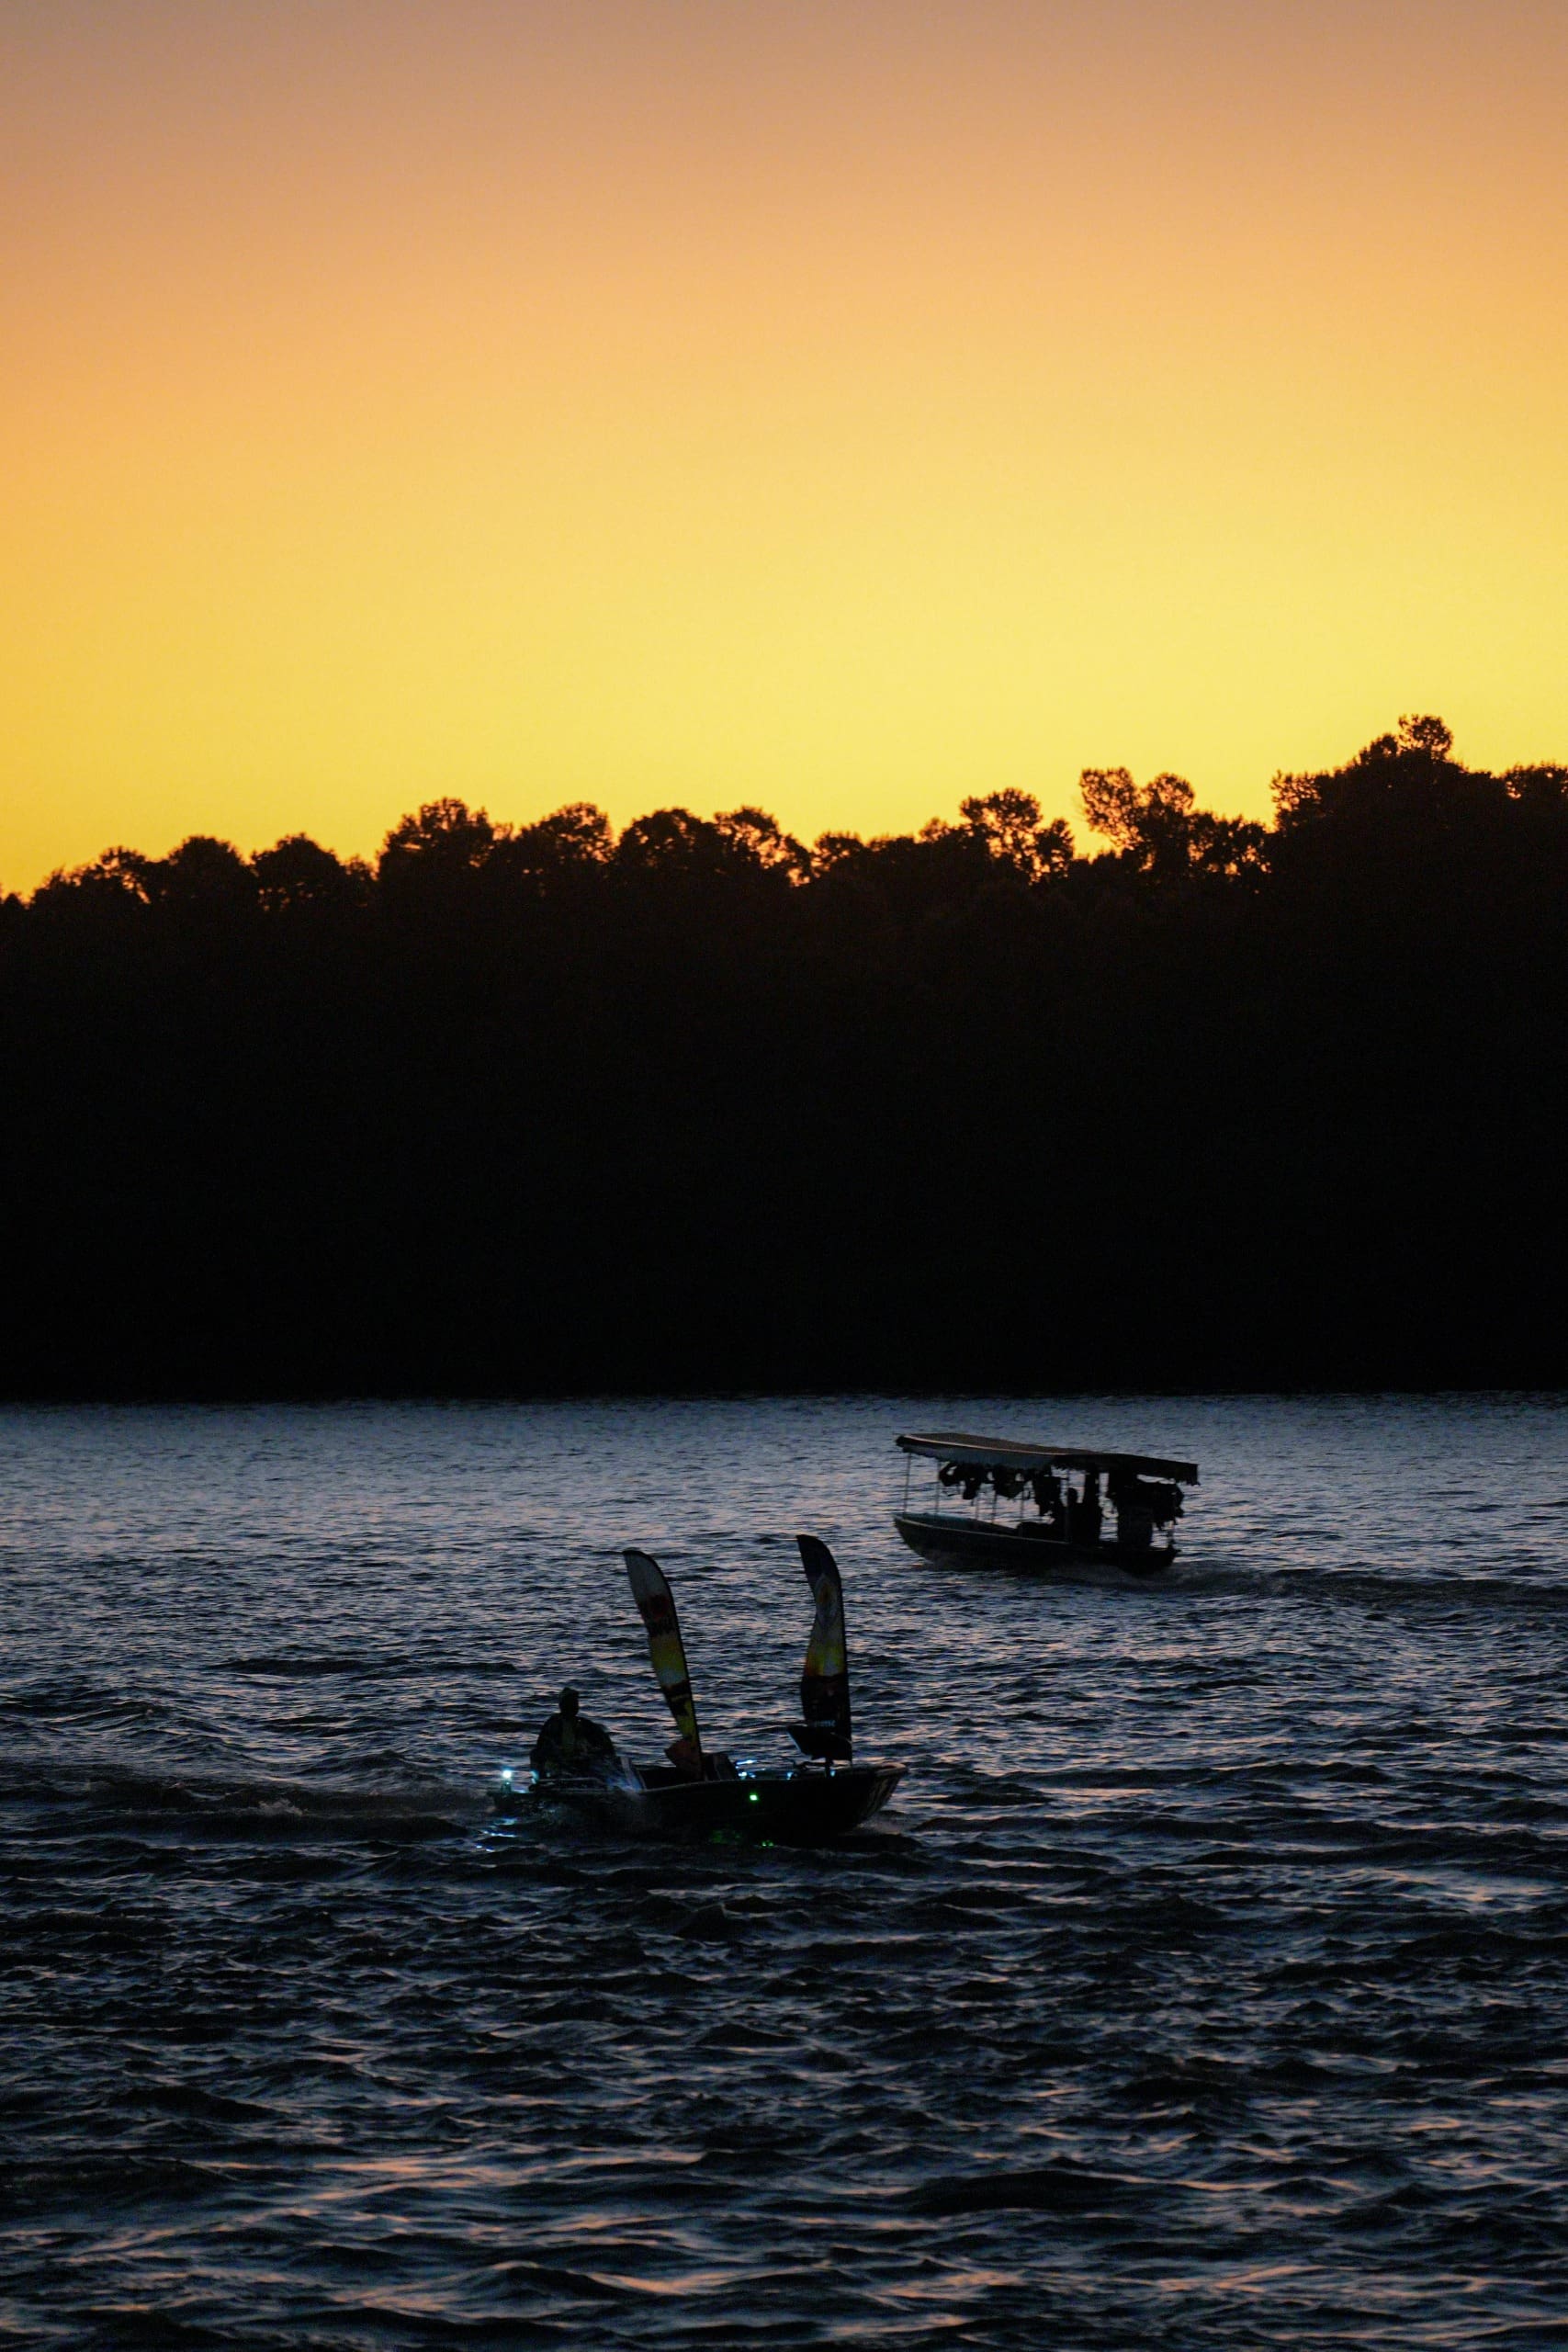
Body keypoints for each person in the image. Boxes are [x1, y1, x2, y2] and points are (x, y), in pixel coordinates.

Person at [531, 1685, 618, 1778]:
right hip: (559, 1767)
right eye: (570, 1702)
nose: (574, 1705)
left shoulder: (584, 1724)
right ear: (562, 1705)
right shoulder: (553, 1725)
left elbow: (604, 1742)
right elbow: (543, 1750)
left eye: (575, 1702)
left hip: (581, 1765)